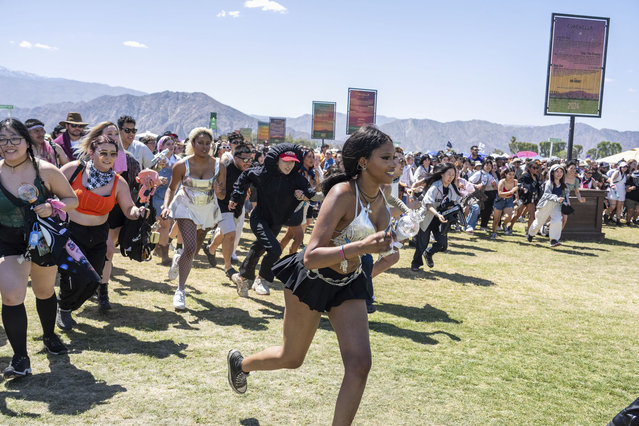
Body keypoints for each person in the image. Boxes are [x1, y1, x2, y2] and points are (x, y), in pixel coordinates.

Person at [227, 125, 394, 425]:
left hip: (347, 283)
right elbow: (311, 256)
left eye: (395, 156)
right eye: (386, 157)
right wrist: (360, 246)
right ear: (364, 162)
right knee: (291, 358)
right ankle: (241, 364)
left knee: (360, 364)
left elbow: (378, 251)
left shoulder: (380, 200)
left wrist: (389, 250)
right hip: (311, 280)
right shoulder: (342, 194)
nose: (395, 163)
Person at [0, 118, 79, 378]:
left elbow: (72, 200)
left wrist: (53, 206)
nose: (8, 144)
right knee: (11, 296)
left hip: (43, 240)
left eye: (14, 139)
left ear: (26, 141)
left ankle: (49, 335)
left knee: (44, 291)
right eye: (2, 139)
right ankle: (21, 359)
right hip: (8, 241)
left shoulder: (45, 170)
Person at [57, 135, 147, 330]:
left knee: (93, 279)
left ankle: (68, 304)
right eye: (103, 153)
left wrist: (138, 212)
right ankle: (64, 309)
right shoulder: (73, 170)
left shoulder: (118, 182)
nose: (108, 158)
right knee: (73, 275)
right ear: (92, 152)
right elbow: (52, 192)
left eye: (113, 154)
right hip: (72, 232)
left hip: (99, 234)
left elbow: (129, 209)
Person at [228, 143, 318, 297]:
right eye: (285, 161)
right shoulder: (263, 173)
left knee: (259, 247)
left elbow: (309, 190)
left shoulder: (296, 178)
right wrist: (236, 196)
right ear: (277, 160)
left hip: (277, 221)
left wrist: (304, 194)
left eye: (292, 162)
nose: (289, 166)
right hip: (259, 218)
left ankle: (242, 277)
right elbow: (244, 176)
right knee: (275, 249)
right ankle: (262, 279)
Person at [161, 127, 225, 310]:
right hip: (185, 206)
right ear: (192, 144)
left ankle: (178, 260)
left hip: (206, 208)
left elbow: (222, 195)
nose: (204, 147)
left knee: (192, 251)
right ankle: (180, 291)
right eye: (200, 143)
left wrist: (220, 192)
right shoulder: (181, 165)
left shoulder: (220, 165)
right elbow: (172, 188)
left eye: (208, 143)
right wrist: (166, 206)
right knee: (190, 247)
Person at [203, 143, 253, 279]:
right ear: (235, 158)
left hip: (237, 207)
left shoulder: (249, 170)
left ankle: (210, 249)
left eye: (250, 159)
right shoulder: (225, 168)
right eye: (245, 159)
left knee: (225, 233)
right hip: (222, 205)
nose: (248, 163)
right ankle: (228, 267)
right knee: (231, 234)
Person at [411, 163, 460, 271]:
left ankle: (428, 252)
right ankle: (416, 263)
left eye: (453, 175)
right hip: (428, 217)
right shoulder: (435, 186)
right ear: (442, 174)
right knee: (422, 244)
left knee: (442, 244)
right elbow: (428, 205)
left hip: (441, 220)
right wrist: (437, 214)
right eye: (449, 174)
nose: (451, 177)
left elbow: (456, 202)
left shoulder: (452, 188)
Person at [527, 164, 566, 247]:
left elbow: (565, 195)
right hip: (546, 204)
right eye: (557, 172)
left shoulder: (563, 184)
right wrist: (556, 198)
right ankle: (531, 234)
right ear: (552, 173)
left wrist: (566, 201)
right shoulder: (548, 183)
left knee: (557, 220)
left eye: (561, 172)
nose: (559, 174)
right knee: (539, 222)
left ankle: (553, 240)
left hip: (556, 205)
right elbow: (546, 195)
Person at [511, 161, 541, 232]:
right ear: (529, 168)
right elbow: (519, 184)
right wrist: (524, 189)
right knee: (518, 214)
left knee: (532, 215)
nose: (536, 169)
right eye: (534, 167)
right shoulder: (525, 175)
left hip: (532, 198)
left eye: (537, 168)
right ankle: (510, 226)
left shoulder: (536, 177)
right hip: (524, 197)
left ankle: (529, 231)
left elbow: (537, 187)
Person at [490, 165, 518, 239]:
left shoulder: (515, 181)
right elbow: (500, 193)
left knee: (509, 216)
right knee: (496, 219)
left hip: (509, 200)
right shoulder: (502, 182)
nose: (511, 176)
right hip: (499, 200)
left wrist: (517, 198)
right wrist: (511, 191)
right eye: (509, 174)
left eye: (513, 174)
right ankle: (493, 233)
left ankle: (504, 224)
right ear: (505, 174)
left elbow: (516, 190)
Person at [469, 159, 498, 231]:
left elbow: (494, 186)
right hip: (478, 194)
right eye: (486, 165)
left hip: (489, 194)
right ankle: (470, 225)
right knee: (477, 210)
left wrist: (494, 185)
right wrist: (476, 186)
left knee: (487, 211)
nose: (488, 167)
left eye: (490, 165)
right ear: (483, 166)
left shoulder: (490, 175)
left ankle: (483, 226)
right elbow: (469, 181)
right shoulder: (479, 173)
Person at [562, 160, 585, 228]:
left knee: (564, 219)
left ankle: (557, 236)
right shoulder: (562, 177)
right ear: (567, 168)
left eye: (574, 168)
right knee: (557, 218)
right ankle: (545, 227)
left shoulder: (576, 180)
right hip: (557, 198)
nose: (573, 170)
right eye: (571, 168)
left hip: (566, 200)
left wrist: (580, 199)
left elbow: (577, 192)